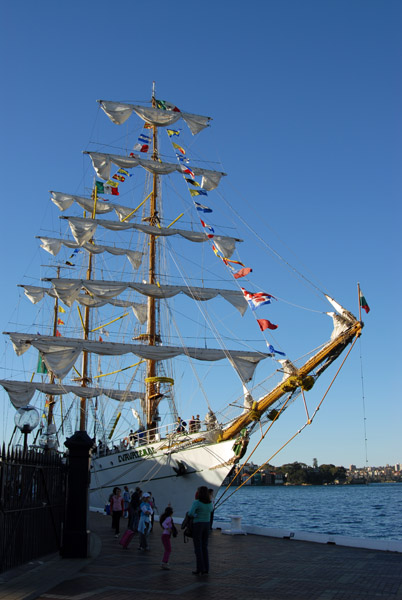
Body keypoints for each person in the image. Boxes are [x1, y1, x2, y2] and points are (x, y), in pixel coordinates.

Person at [188, 485, 213, 575]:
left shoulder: (197, 502)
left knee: (198, 547)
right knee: (204, 547)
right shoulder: (210, 503)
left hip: (198, 524)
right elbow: (211, 510)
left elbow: (190, 513)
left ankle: (199, 568)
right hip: (207, 524)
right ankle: (206, 568)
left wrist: (195, 515)